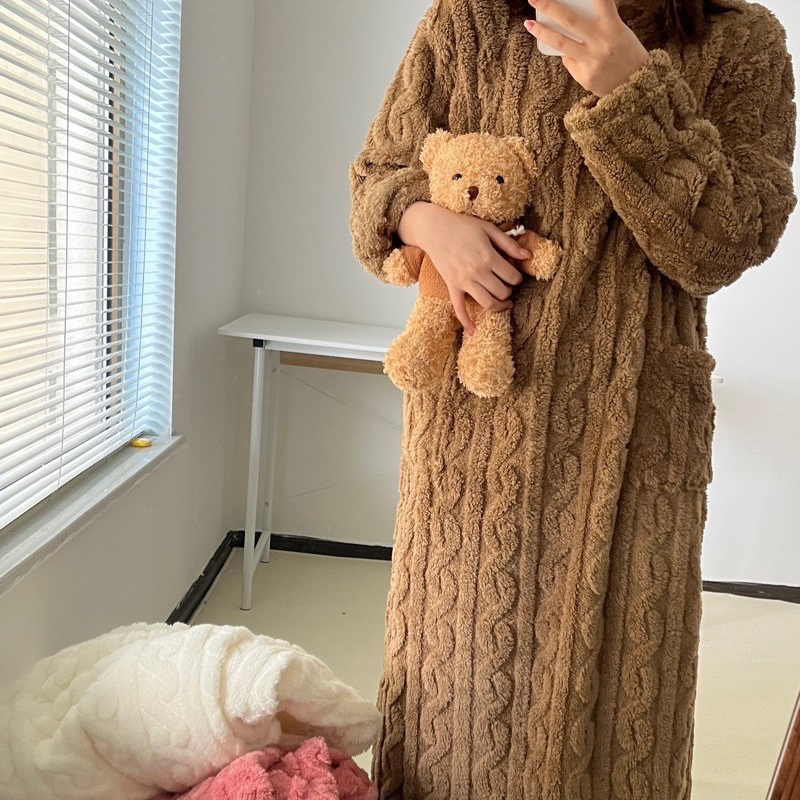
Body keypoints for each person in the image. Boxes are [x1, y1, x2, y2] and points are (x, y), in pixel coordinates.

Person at [348, 0, 797, 797]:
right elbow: (375, 179)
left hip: (631, 445)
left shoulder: (739, 38)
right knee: (454, 704)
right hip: (476, 436)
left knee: (618, 719)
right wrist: (429, 225)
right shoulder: (468, 19)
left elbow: (729, 242)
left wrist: (631, 89)